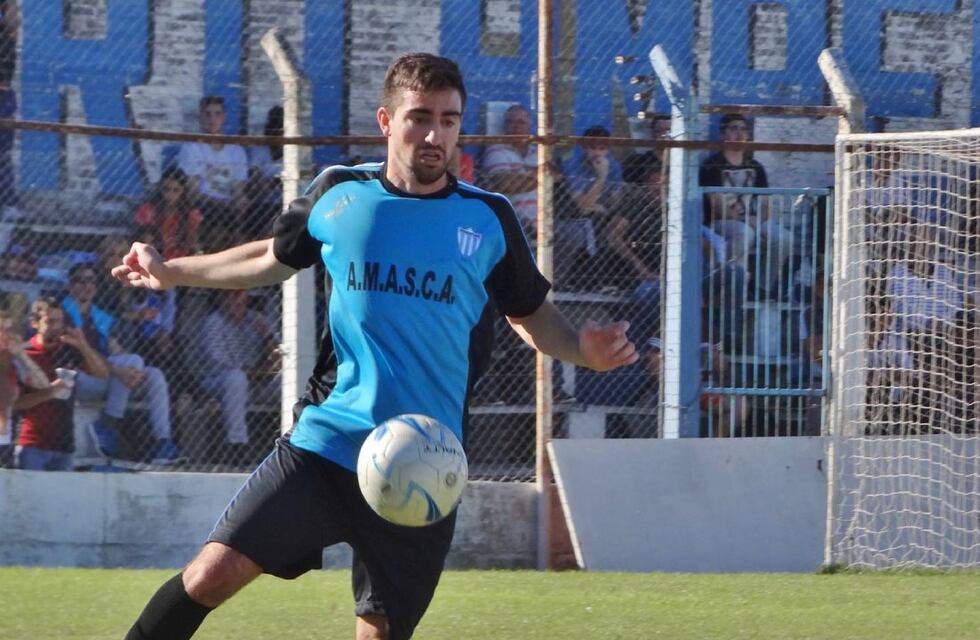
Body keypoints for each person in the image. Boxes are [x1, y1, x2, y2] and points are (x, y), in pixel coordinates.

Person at [113, 52, 636, 640]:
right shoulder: (340, 194)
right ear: (387, 121)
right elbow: (270, 257)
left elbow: (530, 314)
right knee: (211, 573)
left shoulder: (489, 218)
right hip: (327, 441)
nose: (435, 133)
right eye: (420, 117)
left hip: (425, 461)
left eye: (449, 118)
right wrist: (172, 270)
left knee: (378, 634)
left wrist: (582, 350)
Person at [62, 263, 180, 464]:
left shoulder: (99, 315)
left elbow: (114, 349)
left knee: (154, 375)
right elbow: (78, 357)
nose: (86, 285)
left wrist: (134, 372)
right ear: (71, 286)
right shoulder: (64, 312)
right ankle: (108, 423)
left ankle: (162, 442)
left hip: (107, 377)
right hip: (77, 378)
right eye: (80, 280)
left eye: (90, 280)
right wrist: (120, 368)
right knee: (133, 361)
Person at [13, 298, 108, 471]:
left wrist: (83, 345)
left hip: (65, 447)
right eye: (50, 321)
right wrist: (51, 391)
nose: (56, 327)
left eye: (60, 321)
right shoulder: (23, 355)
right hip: (32, 445)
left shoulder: (68, 350)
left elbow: (102, 373)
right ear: (35, 323)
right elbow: (16, 403)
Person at [196, 289, 280, 459]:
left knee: (288, 381)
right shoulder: (214, 322)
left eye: (240, 294)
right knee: (236, 378)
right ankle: (237, 444)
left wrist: (268, 337)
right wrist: (261, 372)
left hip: (258, 382)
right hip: (218, 382)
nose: (236, 300)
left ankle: (295, 441)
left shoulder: (256, 319)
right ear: (221, 299)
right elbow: (220, 366)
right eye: (230, 295)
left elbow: (280, 361)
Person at [177, 96, 250, 248]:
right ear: (201, 117)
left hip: (230, 207)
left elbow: (239, 189)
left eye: (217, 114)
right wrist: (223, 203)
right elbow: (193, 192)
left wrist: (239, 201)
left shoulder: (236, 151)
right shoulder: (192, 148)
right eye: (208, 114)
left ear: (224, 117)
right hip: (205, 206)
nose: (212, 119)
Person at [480, 104, 537, 232]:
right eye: (510, 122)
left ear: (529, 126)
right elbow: (507, 184)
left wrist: (524, 176)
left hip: (546, 219)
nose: (516, 127)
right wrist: (543, 173)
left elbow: (557, 174)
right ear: (505, 126)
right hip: (515, 221)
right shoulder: (496, 151)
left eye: (521, 122)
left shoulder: (538, 151)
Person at [134, 166, 205, 260]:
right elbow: (145, 239)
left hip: (182, 258)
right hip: (154, 257)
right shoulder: (149, 209)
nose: (170, 195)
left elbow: (194, 241)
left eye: (176, 190)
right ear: (160, 189)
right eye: (166, 189)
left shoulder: (191, 213)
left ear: (183, 191)